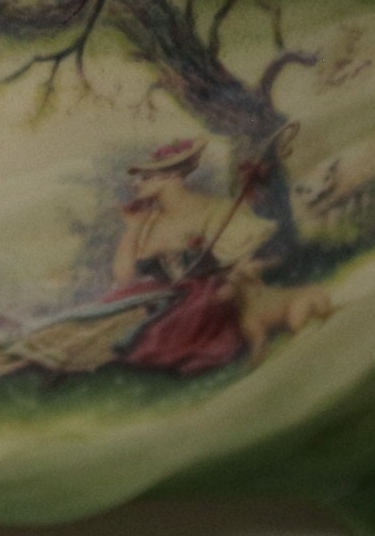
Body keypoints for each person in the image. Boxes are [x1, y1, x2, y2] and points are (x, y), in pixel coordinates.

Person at [107, 138, 275, 376]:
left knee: (179, 321)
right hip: (165, 296)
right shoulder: (146, 222)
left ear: (172, 176)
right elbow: (123, 278)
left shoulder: (215, 209)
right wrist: (132, 228)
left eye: (146, 177)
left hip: (209, 295)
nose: (136, 184)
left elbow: (243, 262)